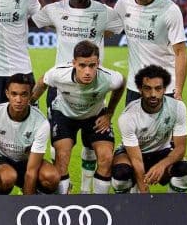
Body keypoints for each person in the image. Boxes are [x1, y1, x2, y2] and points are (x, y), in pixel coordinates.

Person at [31, 0, 124, 193]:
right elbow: (37, 20)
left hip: (93, 83)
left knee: (93, 146)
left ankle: (86, 190)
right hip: (61, 83)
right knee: (60, 145)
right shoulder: (54, 10)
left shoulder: (104, 12)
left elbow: (114, 30)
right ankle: (64, 185)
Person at [33, 40, 125, 194]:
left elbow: (121, 84)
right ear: (74, 63)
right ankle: (64, 205)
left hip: (95, 115)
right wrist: (29, 104)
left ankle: (97, 205)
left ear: (98, 63)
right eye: (82, 65)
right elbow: (42, 82)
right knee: (62, 157)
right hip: (64, 114)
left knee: (107, 158)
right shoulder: (59, 74)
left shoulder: (109, 78)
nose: (87, 71)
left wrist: (110, 113)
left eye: (92, 65)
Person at [0, 74, 58, 195]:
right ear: (7, 93)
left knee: (51, 177)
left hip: (26, 162)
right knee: (7, 177)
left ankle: (37, 206)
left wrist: (27, 207)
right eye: (14, 94)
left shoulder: (41, 123)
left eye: (23, 94)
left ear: (31, 95)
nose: (18, 100)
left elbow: (31, 170)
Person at [114, 0, 187, 104]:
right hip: (135, 88)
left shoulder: (170, 10)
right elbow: (107, 32)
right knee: (131, 127)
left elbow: (181, 52)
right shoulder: (123, 4)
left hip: (164, 88)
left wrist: (178, 90)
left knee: (162, 127)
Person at [111, 65, 187, 193]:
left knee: (183, 170)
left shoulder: (177, 107)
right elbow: (136, 159)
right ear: (140, 90)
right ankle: (127, 208)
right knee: (121, 174)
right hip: (132, 154)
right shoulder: (128, 116)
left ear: (165, 89)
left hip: (162, 151)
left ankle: (171, 208)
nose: (153, 94)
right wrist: (144, 189)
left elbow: (180, 148)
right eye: (147, 89)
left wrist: (162, 165)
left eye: (158, 88)